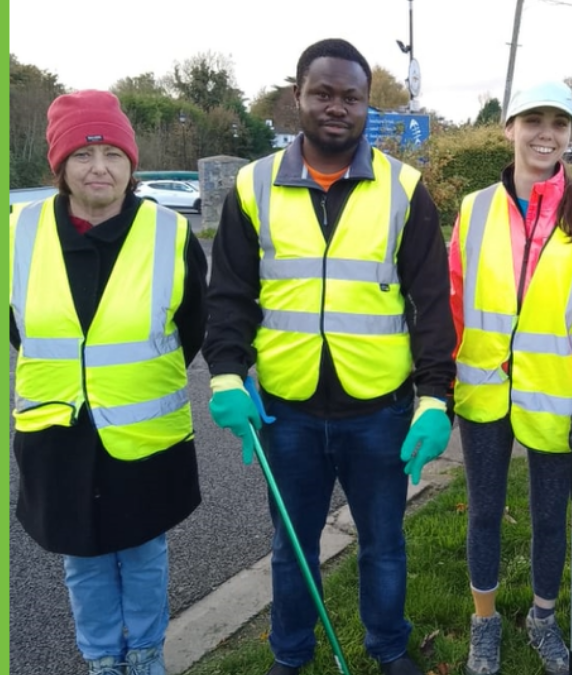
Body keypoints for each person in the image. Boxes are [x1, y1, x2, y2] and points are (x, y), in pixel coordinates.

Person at [202, 38, 456, 675]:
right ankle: (290, 656)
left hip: (380, 412)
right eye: (323, 93)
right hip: (284, 413)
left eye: (352, 96)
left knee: (384, 545)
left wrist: (434, 397)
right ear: (298, 97)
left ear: (369, 105)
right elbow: (229, 294)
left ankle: (389, 648)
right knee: (292, 546)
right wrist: (227, 374)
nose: (337, 107)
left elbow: (430, 303)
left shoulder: (404, 190)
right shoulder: (253, 187)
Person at [9, 89, 207, 675]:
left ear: (131, 163)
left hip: (142, 429)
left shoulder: (169, 233)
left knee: (144, 552)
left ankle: (145, 655)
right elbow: (14, 324)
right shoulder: (18, 232)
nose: (100, 168)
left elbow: (191, 325)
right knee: (84, 559)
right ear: (61, 166)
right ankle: (101, 660)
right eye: (83, 155)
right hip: (59, 430)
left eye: (113, 154)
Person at [449, 81, 572, 675]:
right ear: (509, 128)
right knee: (483, 511)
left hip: (556, 394)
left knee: (551, 515)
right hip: (483, 387)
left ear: (571, 134)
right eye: (533, 120)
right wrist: (442, 379)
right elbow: (454, 297)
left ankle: (543, 619)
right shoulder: (473, 209)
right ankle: (485, 622)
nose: (546, 133)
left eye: (559, 123)